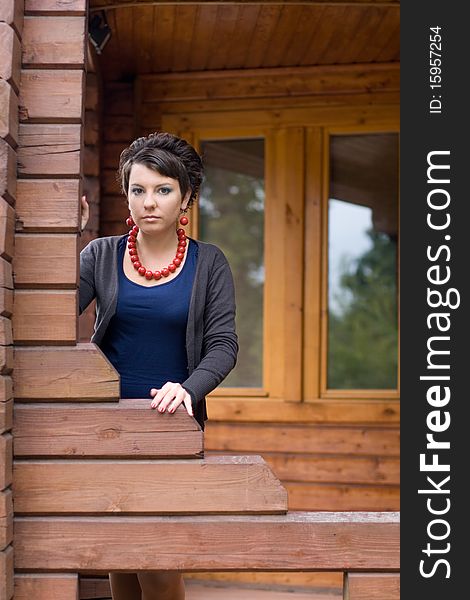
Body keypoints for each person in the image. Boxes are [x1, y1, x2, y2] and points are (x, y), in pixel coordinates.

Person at [79, 131, 239, 600]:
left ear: (186, 197)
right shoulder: (100, 255)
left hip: (171, 427)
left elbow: (224, 345)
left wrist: (190, 388)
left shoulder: (209, 263)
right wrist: (72, 234)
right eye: (138, 190)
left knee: (158, 562)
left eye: (163, 190)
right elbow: (50, 310)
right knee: (121, 561)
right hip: (104, 427)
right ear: (127, 195)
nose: (149, 202)